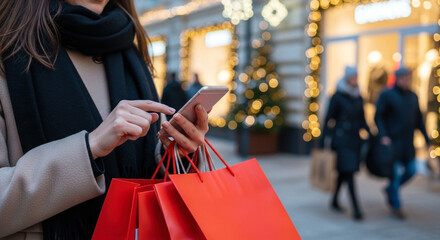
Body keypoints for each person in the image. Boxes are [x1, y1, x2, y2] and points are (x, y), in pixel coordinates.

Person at [0, 0, 209, 239]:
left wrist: (176, 152)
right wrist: (90, 149)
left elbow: (148, 166)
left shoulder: (129, 49)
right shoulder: (7, 49)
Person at [375, 67, 430, 220]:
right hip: (392, 143)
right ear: (397, 78)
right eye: (404, 78)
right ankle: (396, 205)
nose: (406, 80)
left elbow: (419, 120)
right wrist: (383, 135)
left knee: (411, 170)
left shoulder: (413, 96)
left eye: (408, 78)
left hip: (408, 143)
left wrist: (426, 139)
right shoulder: (387, 95)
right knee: (395, 175)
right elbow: (378, 117)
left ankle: (390, 190)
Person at [321, 66, 369, 221]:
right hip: (340, 140)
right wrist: (322, 141)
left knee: (344, 173)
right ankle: (356, 209)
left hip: (354, 140)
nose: (355, 79)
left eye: (356, 76)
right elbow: (329, 119)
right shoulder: (337, 96)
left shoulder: (359, 96)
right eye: (353, 76)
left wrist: (372, 134)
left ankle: (334, 200)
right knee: (349, 172)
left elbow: (362, 119)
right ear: (347, 77)